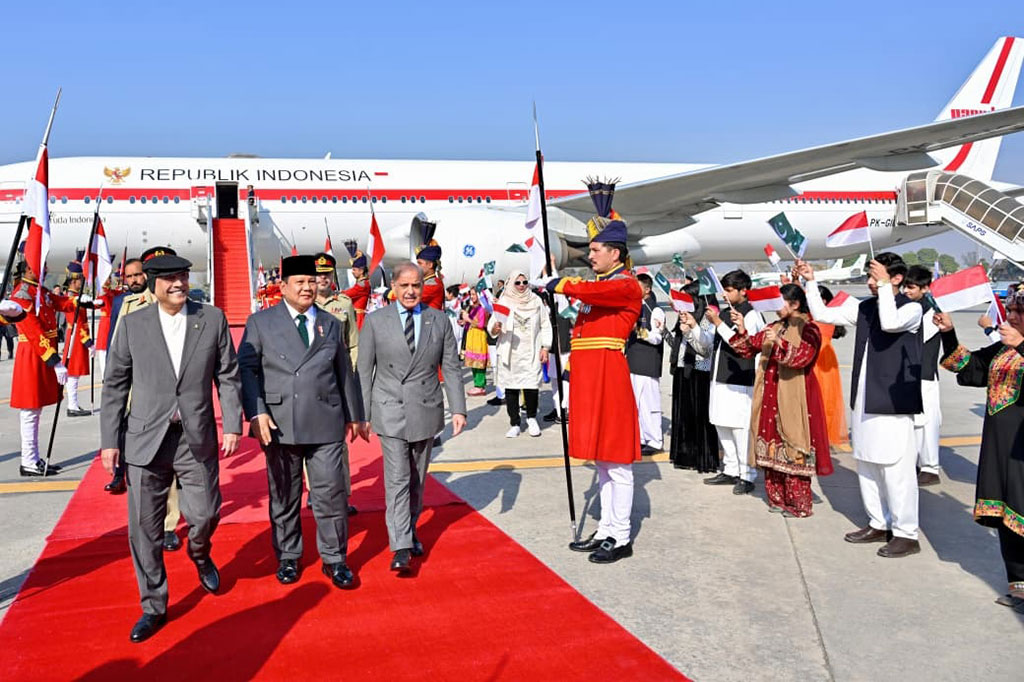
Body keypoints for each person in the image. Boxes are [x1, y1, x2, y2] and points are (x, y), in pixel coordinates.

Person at [99, 252, 242, 643]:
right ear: (152, 284)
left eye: (183, 276)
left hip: (195, 436)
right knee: (144, 530)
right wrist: (110, 442)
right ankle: (153, 606)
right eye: (169, 279)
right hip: (145, 439)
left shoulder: (210, 319)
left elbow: (228, 375)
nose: (179, 284)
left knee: (206, 513)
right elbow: (115, 386)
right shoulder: (131, 325)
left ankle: (200, 552)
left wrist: (231, 423)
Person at [238, 255, 366, 591]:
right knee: (285, 495)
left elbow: (344, 372)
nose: (308, 287)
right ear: (283, 287)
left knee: (330, 494)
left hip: (326, 420)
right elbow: (247, 371)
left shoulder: (331, 322)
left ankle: (335, 558)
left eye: (311, 281)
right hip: (279, 423)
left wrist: (355, 415)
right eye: (300, 282)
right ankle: (288, 557)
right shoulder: (261, 323)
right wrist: (256, 411)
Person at [797, 253, 924, 558]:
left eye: (876, 275)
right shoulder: (865, 307)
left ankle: (906, 532)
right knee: (866, 464)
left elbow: (891, 323)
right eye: (870, 275)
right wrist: (811, 282)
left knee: (896, 469)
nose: (869, 282)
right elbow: (823, 315)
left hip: (893, 402)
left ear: (896, 279)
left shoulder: (912, 309)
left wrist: (882, 287)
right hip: (865, 400)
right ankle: (878, 522)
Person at [357, 261, 467, 574]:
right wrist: (362, 414)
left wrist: (458, 408)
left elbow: (452, 367)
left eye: (415, 286)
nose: (410, 291)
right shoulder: (376, 322)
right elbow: (364, 370)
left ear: (423, 286)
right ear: (393, 288)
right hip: (389, 408)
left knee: (417, 478)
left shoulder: (438, 320)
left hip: (426, 407)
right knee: (397, 478)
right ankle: (401, 545)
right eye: (404, 286)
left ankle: (410, 527)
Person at [545, 220, 643, 564]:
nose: (590, 255)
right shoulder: (598, 286)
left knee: (617, 463)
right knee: (602, 462)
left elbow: (595, 293)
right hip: (590, 378)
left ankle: (621, 535)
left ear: (615, 253)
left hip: (609, 377)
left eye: (596, 249)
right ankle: (606, 529)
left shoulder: (626, 285)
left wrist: (562, 284)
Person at [935, 297, 1024, 610]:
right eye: (1008, 312)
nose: (1006, 320)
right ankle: (1019, 585)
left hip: (1022, 451)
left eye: (1015, 315)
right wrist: (949, 332)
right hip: (1000, 448)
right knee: (1006, 514)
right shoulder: (1002, 350)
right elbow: (968, 367)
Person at [728, 284, 833, 516]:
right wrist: (742, 329)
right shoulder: (774, 326)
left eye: (780, 304)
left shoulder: (809, 329)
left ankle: (800, 505)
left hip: (795, 397)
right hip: (770, 393)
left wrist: (778, 342)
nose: (775, 310)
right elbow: (747, 349)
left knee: (793, 447)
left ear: (794, 304)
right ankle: (776, 498)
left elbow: (802, 358)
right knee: (770, 446)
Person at [108, 247, 186, 546]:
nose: (138, 279)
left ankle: (168, 524)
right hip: (138, 398)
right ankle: (147, 516)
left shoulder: (183, 305)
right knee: (143, 462)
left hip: (172, 401)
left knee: (171, 465)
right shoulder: (127, 305)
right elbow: (119, 356)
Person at [9, 259, 99, 477]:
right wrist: (54, 360)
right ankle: (28, 461)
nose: (46, 269)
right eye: (41, 265)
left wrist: (83, 301)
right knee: (30, 410)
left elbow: (61, 303)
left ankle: (33, 457)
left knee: (36, 409)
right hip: (32, 354)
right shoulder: (22, 294)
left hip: (41, 353)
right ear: (28, 268)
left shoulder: (40, 291)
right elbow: (33, 330)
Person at [700, 269, 766, 495]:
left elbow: (744, 344)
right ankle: (730, 469)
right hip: (719, 377)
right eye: (724, 290)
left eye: (729, 291)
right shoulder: (727, 313)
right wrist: (694, 327)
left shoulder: (751, 314)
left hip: (742, 378)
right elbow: (712, 341)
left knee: (740, 428)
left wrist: (719, 322)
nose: (725, 295)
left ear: (743, 291)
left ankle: (747, 474)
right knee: (721, 423)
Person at [102, 257, 148, 494]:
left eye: (137, 275)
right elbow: (114, 336)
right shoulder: (121, 301)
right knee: (120, 424)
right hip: (126, 373)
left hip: (148, 374)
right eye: (129, 277)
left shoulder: (153, 299)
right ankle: (120, 474)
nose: (133, 280)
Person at [488, 269, 552, 438]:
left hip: (531, 350)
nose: (522, 286)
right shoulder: (505, 300)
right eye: (518, 283)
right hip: (511, 352)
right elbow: (493, 323)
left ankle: (531, 418)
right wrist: (495, 328)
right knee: (511, 388)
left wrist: (545, 346)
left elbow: (545, 324)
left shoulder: (535, 300)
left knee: (531, 386)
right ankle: (515, 422)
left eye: (524, 282)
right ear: (511, 284)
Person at [668, 281, 718, 472]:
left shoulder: (707, 319)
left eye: (686, 299)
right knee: (683, 418)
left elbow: (704, 350)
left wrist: (691, 329)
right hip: (683, 369)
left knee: (699, 418)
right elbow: (676, 345)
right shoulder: (683, 318)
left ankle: (701, 458)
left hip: (700, 372)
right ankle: (684, 456)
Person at [903, 265, 943, 486]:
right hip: (912, 374)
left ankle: (930, 467)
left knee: (927, 422)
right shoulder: (913, 307)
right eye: (905, 287)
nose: (907, 291)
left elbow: (916, 338)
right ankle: (918, 463)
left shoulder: (931, 312)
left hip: (925, 375)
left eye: (912, 287)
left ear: (925, 288)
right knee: (915, 422)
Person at [627, 273, 666, 455]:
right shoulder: (634, 307)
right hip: (634, 361)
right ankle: (642, 437)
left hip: (647, 362)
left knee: (649, 403)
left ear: (647, 290)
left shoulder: (655, 311)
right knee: (637, 403)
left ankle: (655, 440)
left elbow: (657, 337)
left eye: (638, 287)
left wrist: (640, 331)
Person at [813, 285, 849, 447]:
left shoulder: (825, 316)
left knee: (824, 400)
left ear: (825, 301)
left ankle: (820, 436)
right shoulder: (825, 315)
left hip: (821, 361)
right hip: (820, 358)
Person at [314, 252, 359, 368]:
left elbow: (353, 343)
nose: (323, 277)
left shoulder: (344, 303)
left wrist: (352, 369)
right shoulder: (304, 304)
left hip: (339, 367)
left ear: (332, 274)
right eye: (318, 273)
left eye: (327, 273)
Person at [62, 260, 94, 418]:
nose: (82, 282)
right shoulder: (71, 298)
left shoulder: (76, 297)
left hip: (76, 338)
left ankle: (73, 404)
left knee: (75, 374)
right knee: (73, 373)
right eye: (80, 279)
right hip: (76, 338)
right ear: (74, 281)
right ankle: (72, 405)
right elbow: (77, 323)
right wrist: (88, 342)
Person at [461, 288, 489, 396]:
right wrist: (464, 321)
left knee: (479, 362)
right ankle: (477, 383)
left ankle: (480, 385)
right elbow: (471, 322)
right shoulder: (472, 308)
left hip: (479, 336)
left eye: (474, 294)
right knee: (473, 361)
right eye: (471, 295)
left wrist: (468, 319)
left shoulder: (482, 309)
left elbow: (481, 325)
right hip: (472, 335)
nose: (472, 297)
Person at [342, 253, 371, 328]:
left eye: (354, 270)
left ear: (361, 271)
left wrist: (334, 291)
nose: (352, 272)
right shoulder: (362, 283)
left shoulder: (362, 285)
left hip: (358, 319)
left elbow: (347, 294)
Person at [416, 244, 445, 311]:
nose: (417, 266)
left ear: (430, 265)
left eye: (420, 263)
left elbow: (410, 297)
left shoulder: (434, 284)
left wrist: (386, 292)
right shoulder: (425, 282)